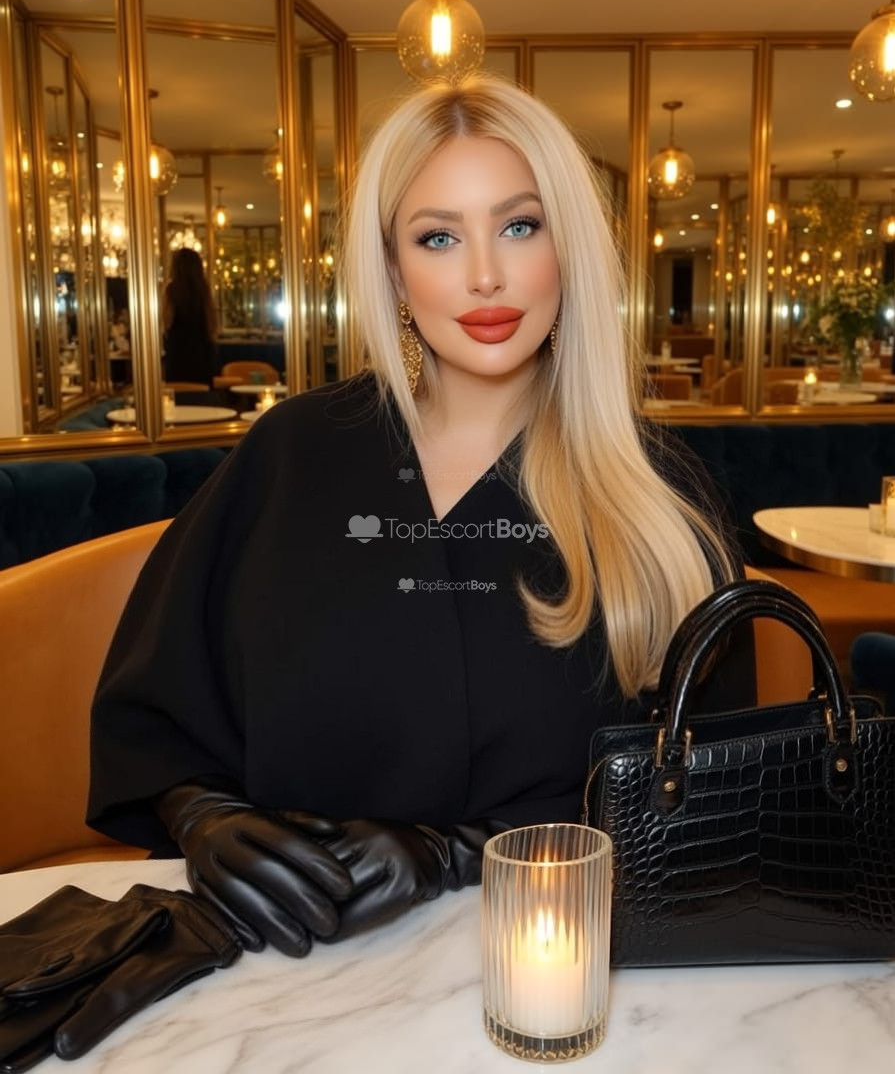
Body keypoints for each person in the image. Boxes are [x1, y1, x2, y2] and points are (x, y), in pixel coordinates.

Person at [87, 74, 753, 961]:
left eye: (520, 226)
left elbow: (706, 799)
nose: (484, 274)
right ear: (395, 272)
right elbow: (155, 702)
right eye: (438, 236)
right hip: (281, 967)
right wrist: (200, 814)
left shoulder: (661, 499)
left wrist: (460, 854)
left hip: (554, 964)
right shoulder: (291, 453)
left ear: (570, 248)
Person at [161, 247, 218, 386]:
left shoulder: (171, 290)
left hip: (178, 351)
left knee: (180, 391)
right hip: (202, 351)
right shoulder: (204, 290)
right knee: (202, 392)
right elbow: (212, 322)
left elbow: (167, 320)